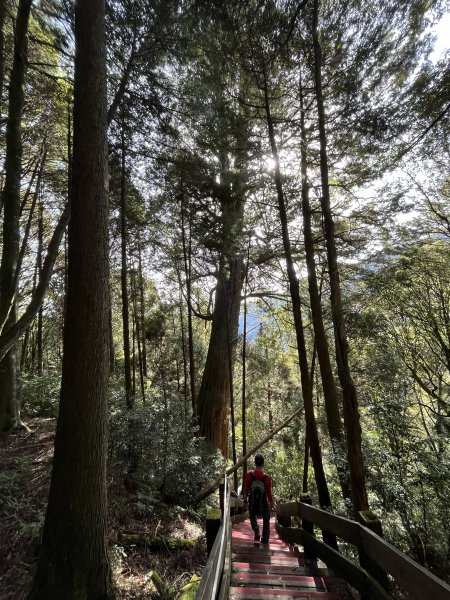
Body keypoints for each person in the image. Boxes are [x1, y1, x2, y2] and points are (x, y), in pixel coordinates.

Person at [243, 454, 274, 544]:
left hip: (252, 502)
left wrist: (245, 501)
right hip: (263, 503)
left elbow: (246, 489)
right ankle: (265, 539)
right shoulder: (266, 478)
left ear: (255, 464)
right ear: (263, 464)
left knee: (252, 517)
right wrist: (272, 505)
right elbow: (269, 494)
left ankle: (256, 531)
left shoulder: (249, 475)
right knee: (266, 518)